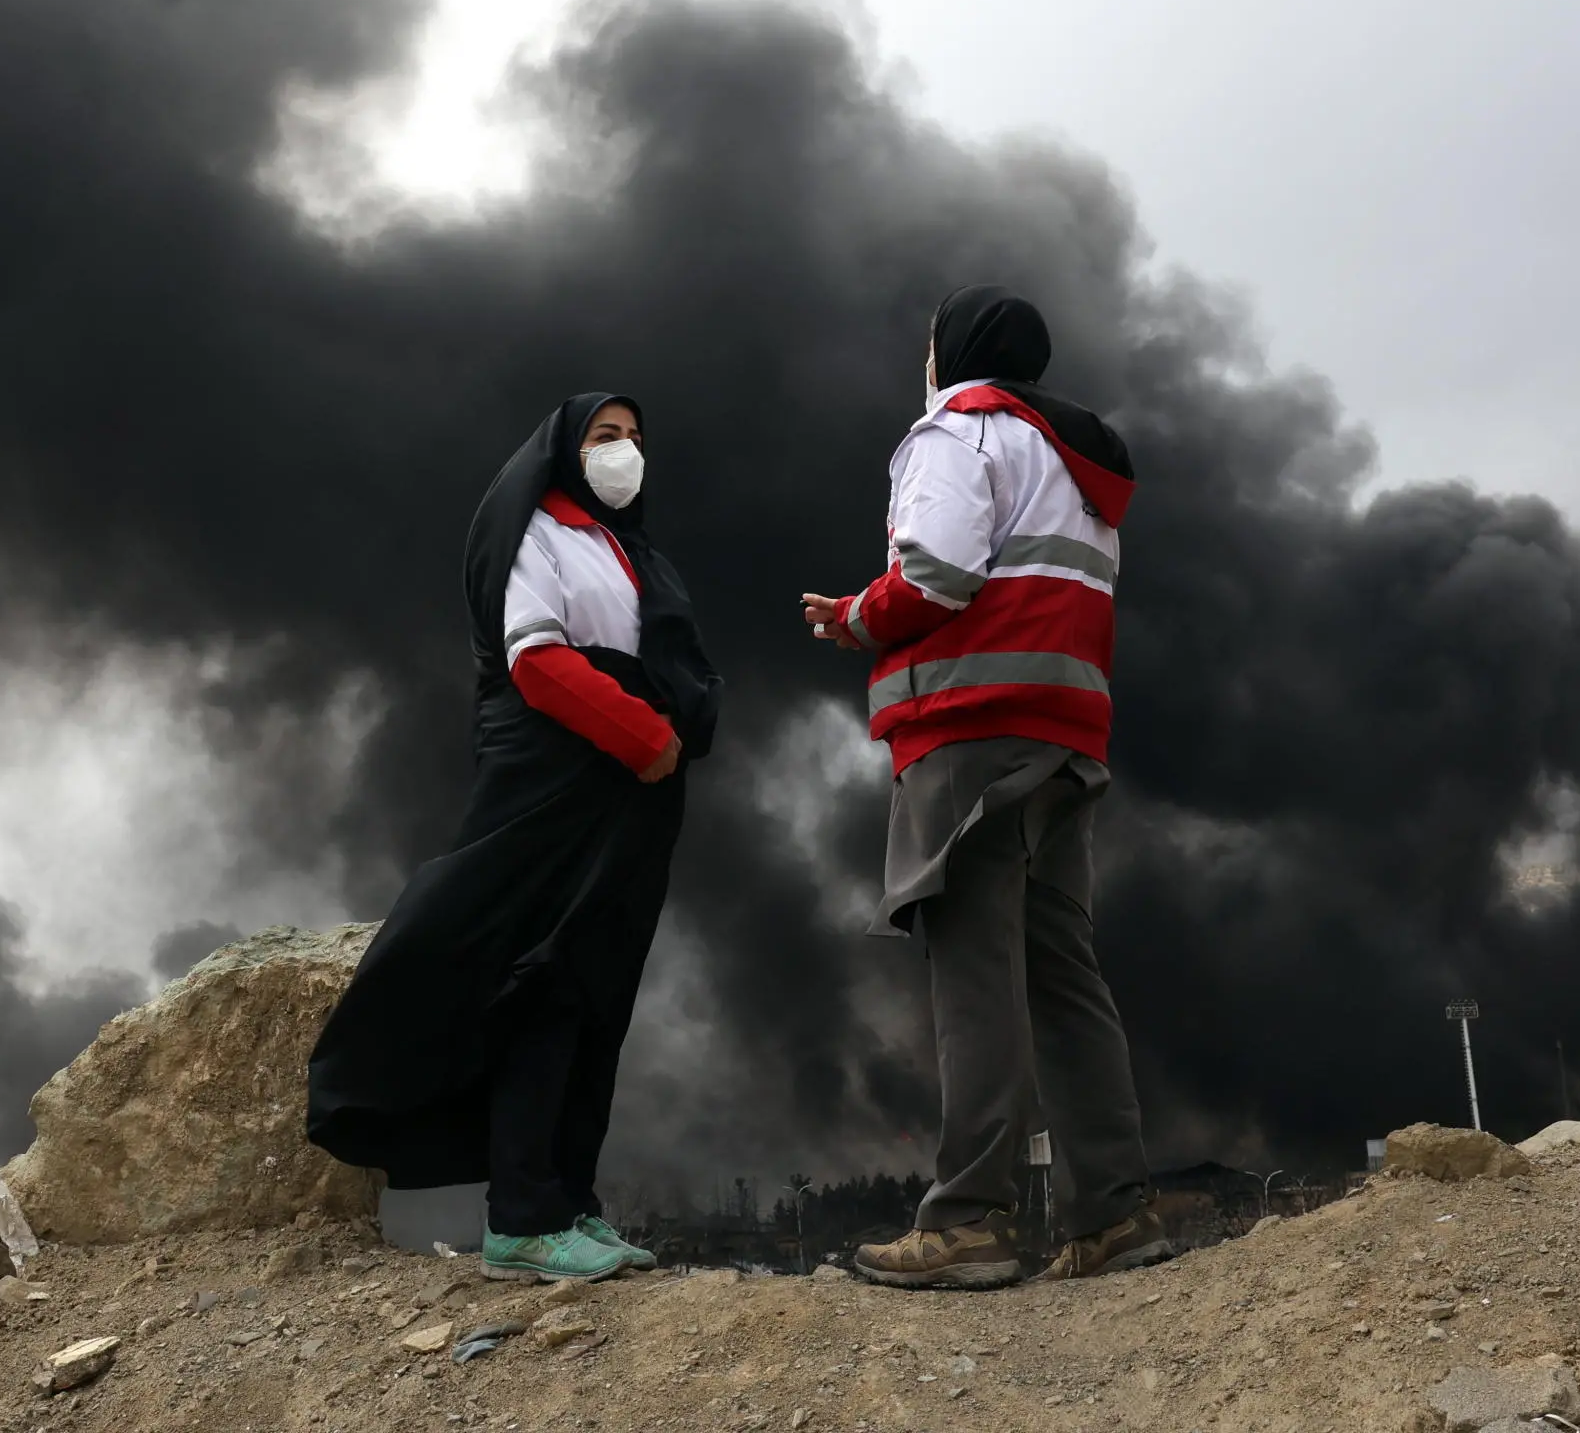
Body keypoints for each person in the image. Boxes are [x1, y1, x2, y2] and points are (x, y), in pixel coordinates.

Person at [308, 393, 722, 1283]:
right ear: (565, 452)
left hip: (625, 798)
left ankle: (572, 1202)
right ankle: (523, 1218)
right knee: (544, 980)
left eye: (638, 439)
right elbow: (536, 659)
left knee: (597, 993)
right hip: (559, 783)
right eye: (606, 437)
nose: (625, 453)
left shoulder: (624, 548)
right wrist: (645, 734)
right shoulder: (535, 533)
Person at [801, 286, 1163, 1289]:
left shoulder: (956, 429)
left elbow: (937, 574)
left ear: (953, 352)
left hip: (971, 726)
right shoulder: (1077, 460)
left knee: (974, 969)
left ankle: (972, 1218)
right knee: (1062, 971)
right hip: (1064, 731)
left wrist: (860, 618)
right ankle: (1113, 1212)